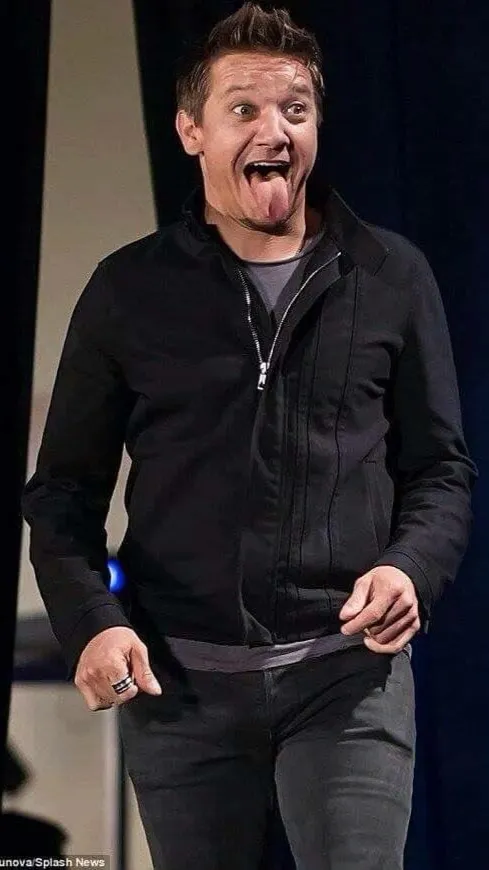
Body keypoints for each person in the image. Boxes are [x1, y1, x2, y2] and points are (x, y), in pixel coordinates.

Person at [22, 3, 477, 869]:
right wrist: (93, 623)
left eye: (294, 110)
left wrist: (408, 567)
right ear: (190, 131)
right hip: (180, 688)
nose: (274, 131)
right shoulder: (129, 290)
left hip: (346, 679)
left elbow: (440, 470)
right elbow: (62, 495)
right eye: (244, 110)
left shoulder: (389, 275)